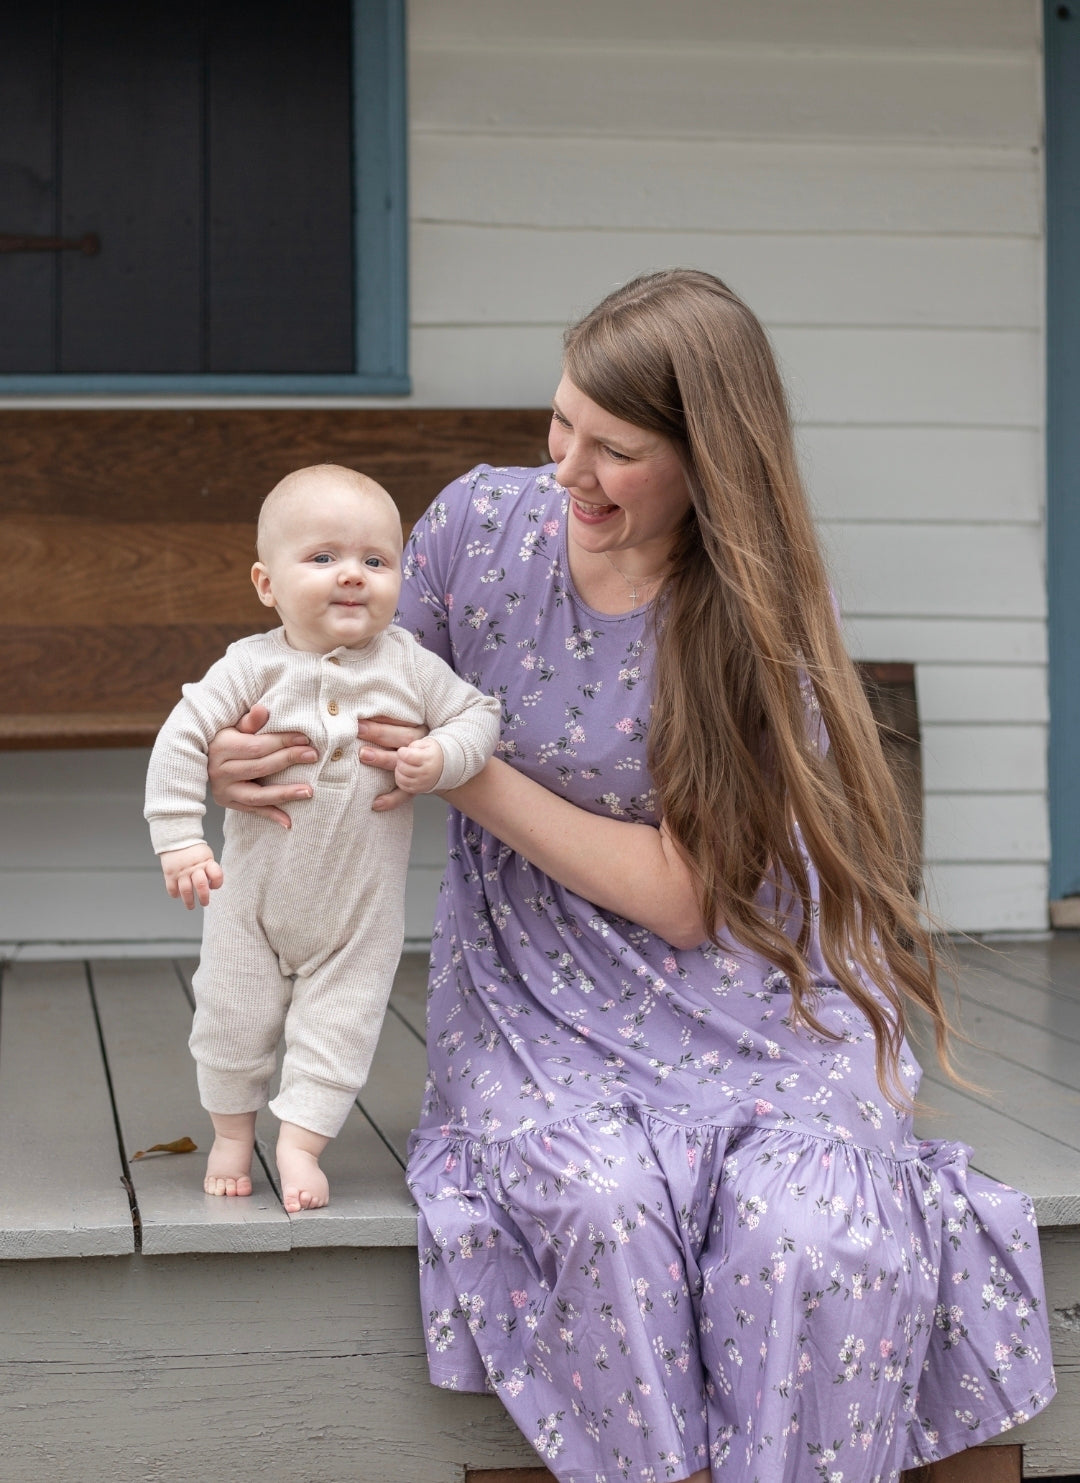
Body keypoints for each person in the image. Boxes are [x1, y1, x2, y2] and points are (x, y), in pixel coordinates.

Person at [206, 274, 1055, 1480]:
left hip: (749, 986)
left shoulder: (752, 626)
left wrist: (465, 772)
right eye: (561, 425)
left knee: (812, 1233)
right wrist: (259, 751)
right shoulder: (475, 534)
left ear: (712, 460)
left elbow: (686, 897)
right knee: (598, 1202)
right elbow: (348, 684)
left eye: (617, 450)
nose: (569, 470)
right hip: (537, 990)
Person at [145, 465, 500, 1213]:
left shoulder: (409, 663)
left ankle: (301, 1142)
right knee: (229, 1020)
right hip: (250, 902)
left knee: (339, 1029)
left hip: (356, 918)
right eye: (323, 558)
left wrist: (442, 757)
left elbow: (478, 716)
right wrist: (180, 837)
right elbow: (182, 737)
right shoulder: (251, 665)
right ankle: (233, 1134)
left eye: (376, 561)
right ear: (266, 583)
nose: (353, 576)